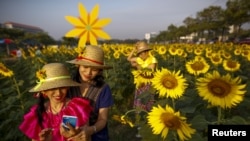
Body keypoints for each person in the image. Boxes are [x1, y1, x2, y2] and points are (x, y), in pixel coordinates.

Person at [19, 63, 92, 141]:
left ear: (68, 87)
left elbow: (87, 138)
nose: (58, 93)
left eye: (62, 87)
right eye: (53, 88)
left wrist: (76, 136)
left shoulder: (77, 109)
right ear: (44, 91)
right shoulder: (38, 113)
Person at [66, 45, 114, 141]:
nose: (89, 72)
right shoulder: (68, 85)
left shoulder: (103, 88)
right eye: (85, 66)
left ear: (100, 71)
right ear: (78, 64)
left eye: (94, 69)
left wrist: (90, 130)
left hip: (97, 135)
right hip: (71, 134)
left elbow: (102, 119)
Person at [127, 41, 158, 111]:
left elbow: (151, 69)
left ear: (147, 52)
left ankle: (147, 117)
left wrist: (138, 66)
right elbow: (128, 59)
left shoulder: (152, 59)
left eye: (142, 53)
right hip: (140, 84)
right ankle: (139, 116)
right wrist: (134, 50)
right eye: (139, 53)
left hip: (149, 84)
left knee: (148, 101)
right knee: (139, 100)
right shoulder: (139, 59)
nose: (140, 55)